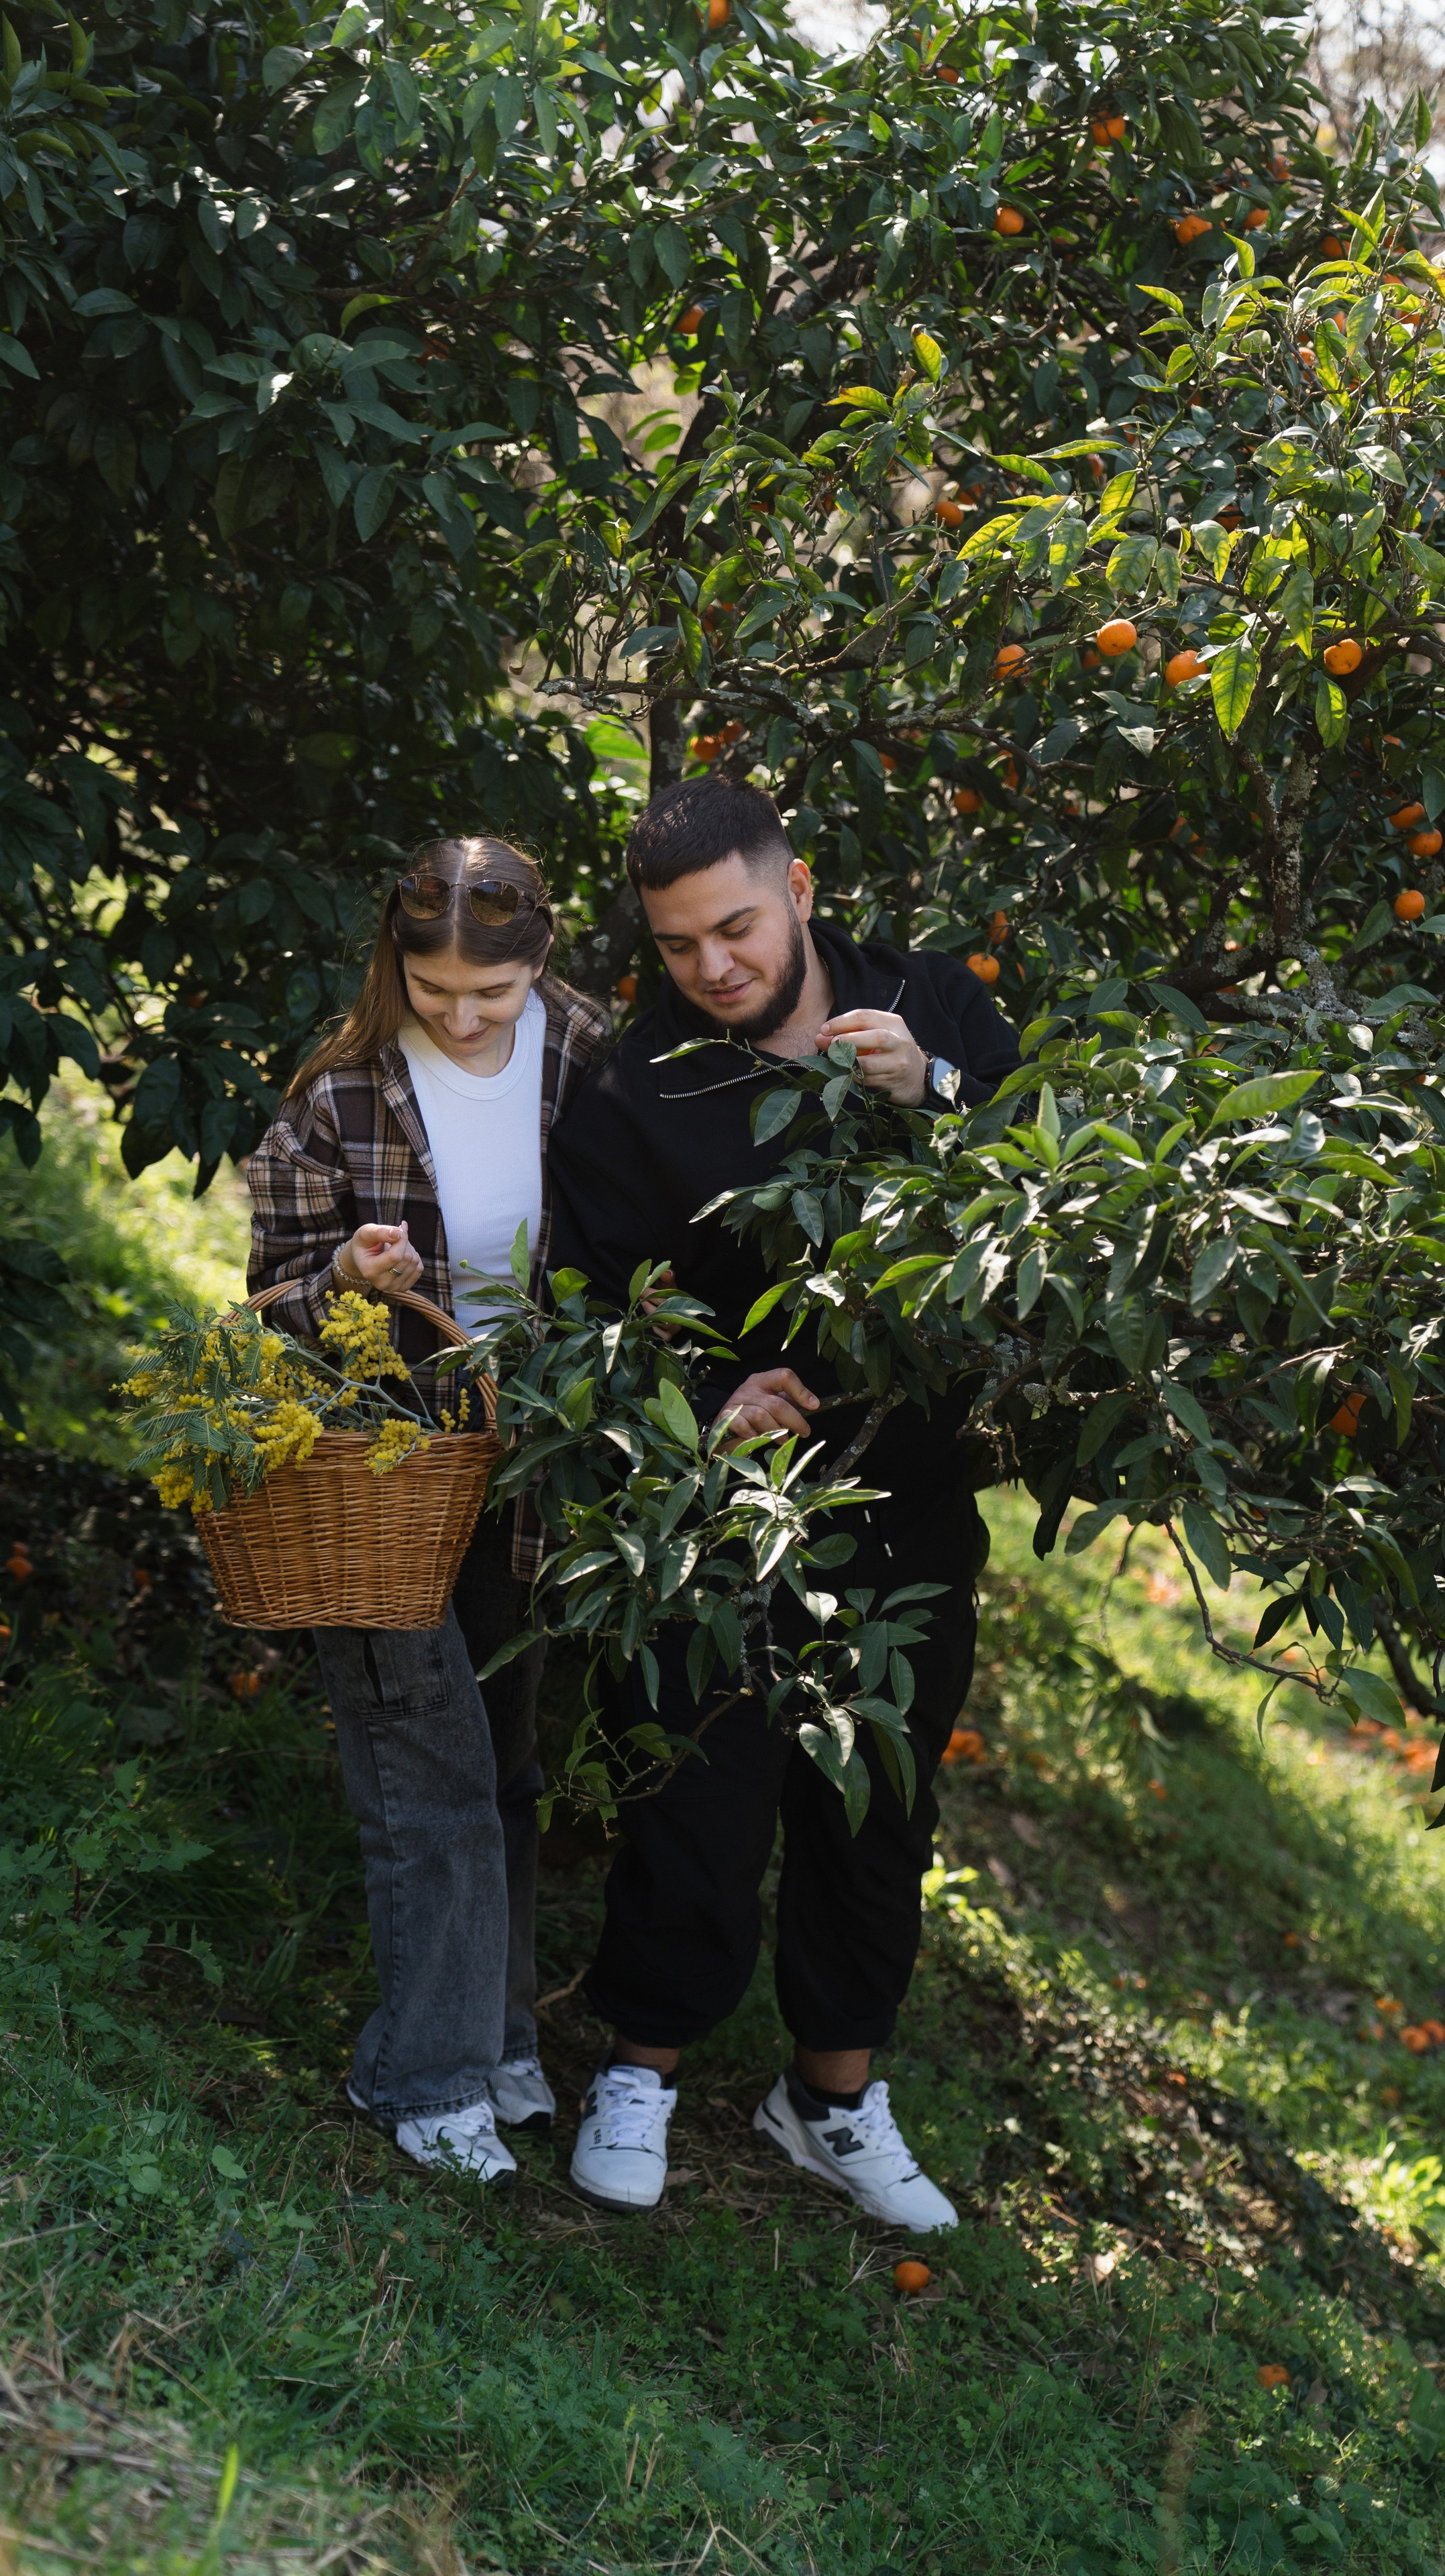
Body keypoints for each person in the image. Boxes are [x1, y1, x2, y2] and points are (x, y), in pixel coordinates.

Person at [546, 774, 1020, 2231]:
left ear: (796, 886)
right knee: (699, 1787)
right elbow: (599, 1303)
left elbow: (1048, 1191)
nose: (715, 967)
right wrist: (713, 1399)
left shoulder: (929, 1000)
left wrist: (926, 1094)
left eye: (737, 929)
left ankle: (829, 2100)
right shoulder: (638, 1086)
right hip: (722, 1502)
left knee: (874, 1803)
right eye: (681, 944)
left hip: (906, 1489)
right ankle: (640, 2069)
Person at [247, 838, 606, 2184]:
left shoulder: (587, 1059)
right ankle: (424, 2075)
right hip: (382, 1473)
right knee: (428, 1767)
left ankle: (500, 2035)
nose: (459, 1015)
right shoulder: (341, 1093)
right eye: (431, 985)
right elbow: (269, 1296)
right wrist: (341, 1268)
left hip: (524, 1469)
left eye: (489, 994)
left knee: (505, 1765)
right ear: (392, 961)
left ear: (541, 960)